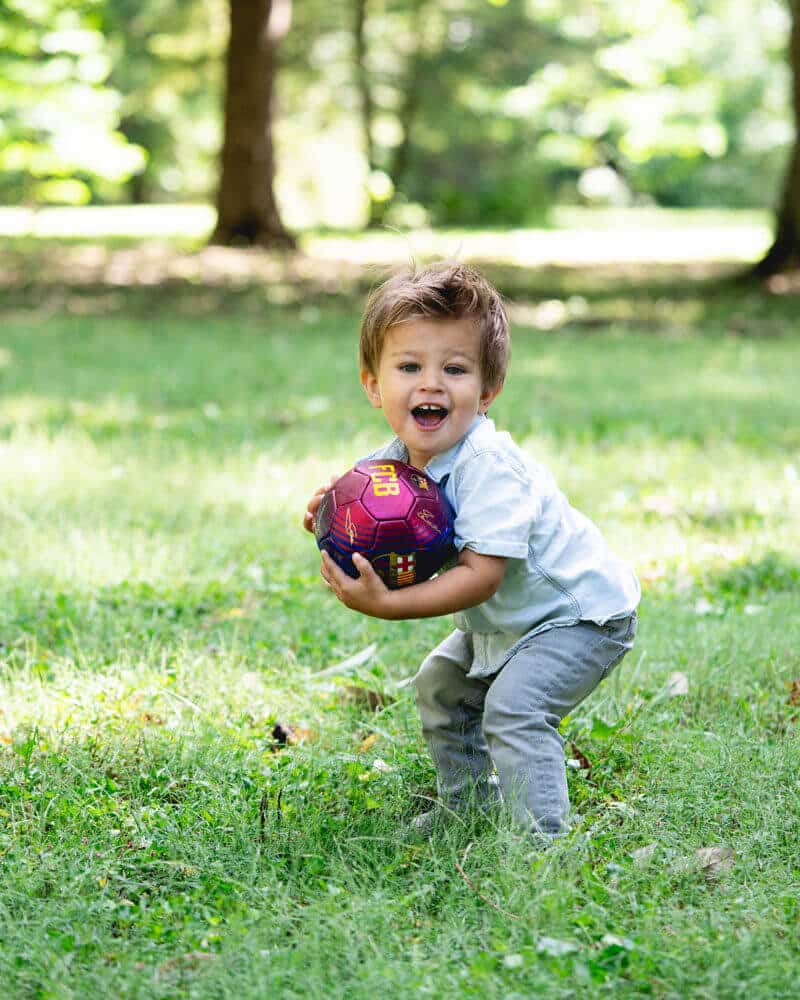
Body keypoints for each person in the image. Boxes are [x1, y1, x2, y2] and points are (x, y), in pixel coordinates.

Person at [303, 262, 640, 837]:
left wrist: (386, 605)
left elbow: (481, 577)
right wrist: (332, 514)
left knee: (515, 710)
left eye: (454, 369)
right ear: (373, 385)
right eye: (409, 366)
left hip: (578, 617)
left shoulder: (491, 469)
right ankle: (467, 806)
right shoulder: (392, 462)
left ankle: (542, 844)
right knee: (442, 685)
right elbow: (371, 507)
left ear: (486, 392)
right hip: (510, 619)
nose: (431, 383)